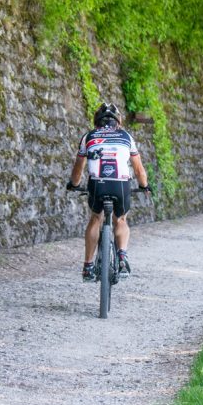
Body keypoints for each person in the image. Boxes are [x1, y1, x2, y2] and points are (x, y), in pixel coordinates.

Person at [66, 103, 151, 282]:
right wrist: (144, 186)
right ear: (118, 122)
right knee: (120, 219)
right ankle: (121, 258)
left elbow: (78, 169)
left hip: (97, 184)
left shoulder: (88, 136)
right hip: (120, 185)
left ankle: (88, 267)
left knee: (96, 218)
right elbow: (139, 169)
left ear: (96, 122)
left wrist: (74, 184)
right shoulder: (126, 136)